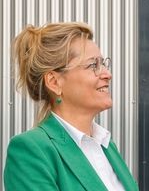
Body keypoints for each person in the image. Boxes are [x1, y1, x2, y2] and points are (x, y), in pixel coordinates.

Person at [4, 22, 139, 191]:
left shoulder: (106, 145)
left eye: (104, 64)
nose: (107, 74)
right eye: (93, 65)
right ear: (54, 82)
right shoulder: (31, 150)